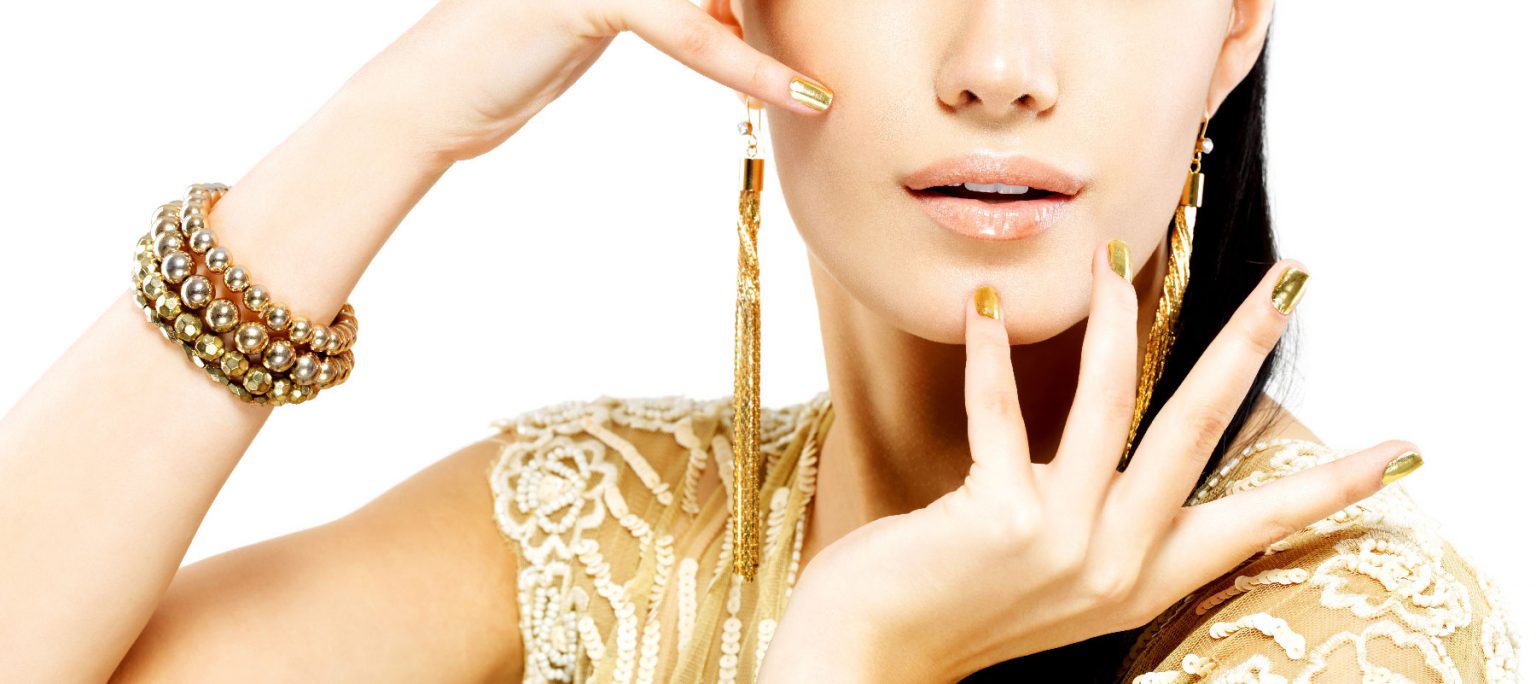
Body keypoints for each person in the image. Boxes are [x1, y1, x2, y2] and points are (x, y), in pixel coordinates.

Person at [0, 0, 1519, 681]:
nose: (999, 63)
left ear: (1235, 23)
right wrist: (399, 111)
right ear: (732, 8)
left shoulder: (1347, 634)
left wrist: (857, 657)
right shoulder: (608, 527)